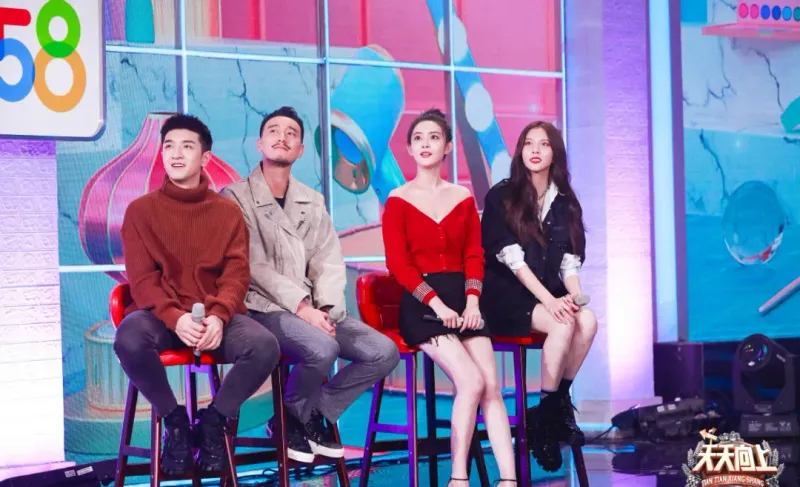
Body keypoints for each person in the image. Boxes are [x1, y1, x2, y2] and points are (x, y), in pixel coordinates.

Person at [222, 106, 400, 464]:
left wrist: (327, 309)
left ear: (301, 149)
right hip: (262, 308)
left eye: (291, 133)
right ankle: (294, 415)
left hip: (314, 309)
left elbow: (328, 260)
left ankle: (307, 413)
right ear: (260, 143)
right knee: (322, 348)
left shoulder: (312, 200)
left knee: (383, 351)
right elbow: (252, 266)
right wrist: (303, 308)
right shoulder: (234, 197)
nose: (282, 137)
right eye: (274, 131)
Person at [114, 114, 280, 475]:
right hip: (162, 318)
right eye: (169, 146)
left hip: (214, 317)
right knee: (128, 338)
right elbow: (142, 281)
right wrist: (176, 318)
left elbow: (236, 275)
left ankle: (213, 421)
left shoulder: (227, 213)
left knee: (265, 346)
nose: (176, 154)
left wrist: (219, 316)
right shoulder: (140, 212)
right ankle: (175, 423)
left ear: (204, 158)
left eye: (186, 146)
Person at [381, 108, 517, 487]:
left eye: (434, 137)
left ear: (448, 147)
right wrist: (437, 304)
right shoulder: (397, 200)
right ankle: (458, 479)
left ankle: (509, 480)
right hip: (423, 304)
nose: (425, 144)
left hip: (465, 300)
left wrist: (472, 302)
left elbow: (474, 255)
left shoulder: (462, 198)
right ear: (409, 149)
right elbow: (399, 264)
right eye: (418, 138)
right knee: (470, 381)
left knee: (491, 385)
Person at [480, 121, 598, 472]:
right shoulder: (501, 196)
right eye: (528, 143)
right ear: (520, 152)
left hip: (548, 293)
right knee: (562, 324)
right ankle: (547, 419)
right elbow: (513, 262)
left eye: (543, 144)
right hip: (507, 296)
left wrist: (576, 297)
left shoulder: (565, 202)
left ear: (554, 153)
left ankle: (552, 406)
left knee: (587, 321)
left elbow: (568, 263)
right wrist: (551, 301)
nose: (534, 150)